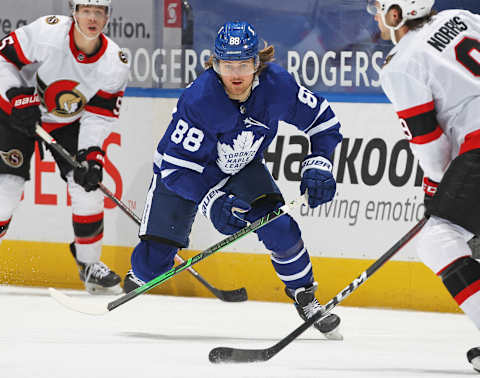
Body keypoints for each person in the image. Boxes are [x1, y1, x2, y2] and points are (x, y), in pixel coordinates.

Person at [123, 21, 343, 339]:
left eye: (243, 64)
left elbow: (322, 119)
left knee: (279, 226)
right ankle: (143, 269)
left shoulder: (277, 86)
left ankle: (305, 296)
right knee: (150, 267)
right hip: (188, 174)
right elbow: (176, 170)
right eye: (227, 65)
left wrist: (319, 162)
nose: (236, 74)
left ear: (257, 63)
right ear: (215, 63)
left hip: (241, 169)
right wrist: (212, 201)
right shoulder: (199, 100)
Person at [368, 0, 480, 372]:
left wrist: (434, 186)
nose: (374, 14)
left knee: (438, 238)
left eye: (378, 7)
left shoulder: (402, 62)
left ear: (396, 14)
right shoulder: (458, 17)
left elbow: (431, 146)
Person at [0, 0, 130, 294]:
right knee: (6, 189)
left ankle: (89, 264)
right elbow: (3, 58)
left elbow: (98, 116)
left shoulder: (114, 62)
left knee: (88, 187)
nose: (92, 18)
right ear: (74, 11)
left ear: (108, 16)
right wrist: (13, 95)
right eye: (86, 10)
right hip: (19, 112)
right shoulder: (48, 33)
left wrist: (91, 156)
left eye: (99, 12)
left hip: (67, 123)